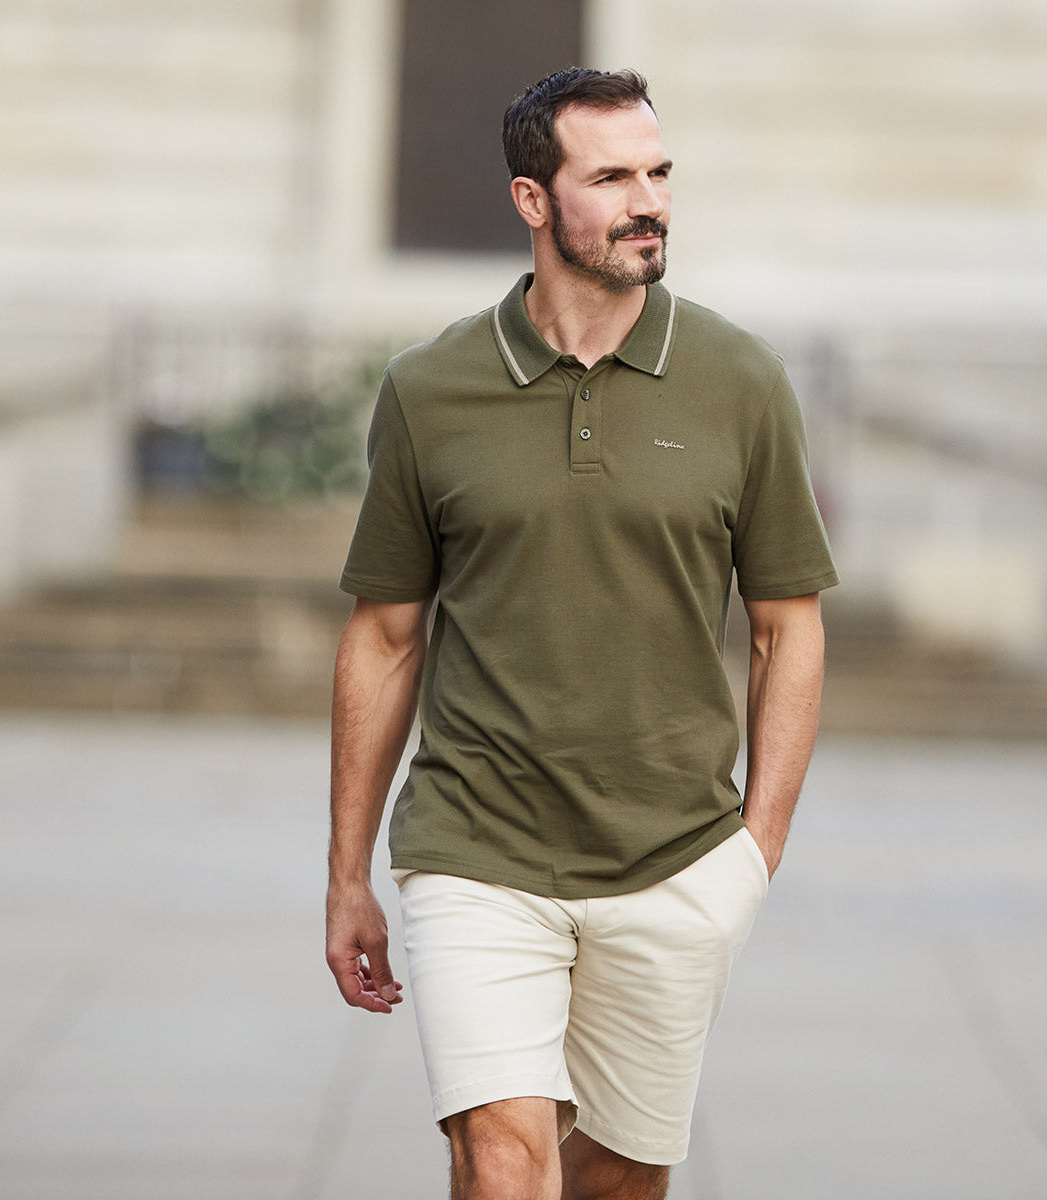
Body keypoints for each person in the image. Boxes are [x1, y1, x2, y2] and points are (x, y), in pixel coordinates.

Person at [326, 67, 838, 1200]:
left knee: (616, 1176)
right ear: (533, 200)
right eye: (610, 177)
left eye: (658, 172)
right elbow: (384, 637)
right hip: (476, 845)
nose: (647, 199)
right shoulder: (430, 390)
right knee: (500, 1156)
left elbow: (785, 630)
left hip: (675, 857)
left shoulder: (741, 381)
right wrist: (347, 873)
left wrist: (756, 852)